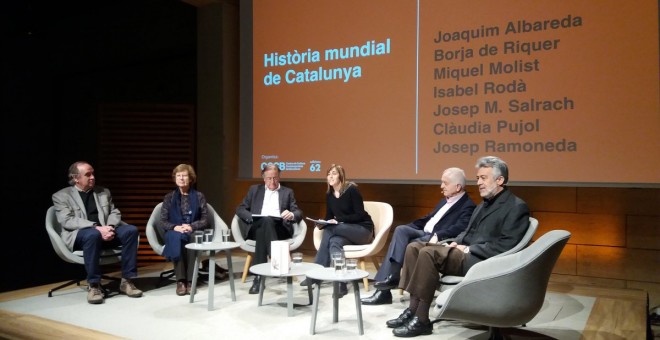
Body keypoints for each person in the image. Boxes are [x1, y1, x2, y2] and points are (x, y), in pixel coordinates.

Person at [388, 156, 530, 337]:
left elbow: (507, 244)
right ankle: (412, 310)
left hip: (483, 260)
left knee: (428, 253)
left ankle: (422, 319)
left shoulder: (516, 206)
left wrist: (469, 249)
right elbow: (467, 233)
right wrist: (456, 241)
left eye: (483, 178)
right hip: (465, 253)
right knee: (414, 247)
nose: (478, 182)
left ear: (500, 180)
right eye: (478, 178)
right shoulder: (482, 205)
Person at [361, 167, 476, 306]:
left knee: (410, 245)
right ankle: (393, 277)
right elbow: (429, 218)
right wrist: (410, 226)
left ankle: (384, 290)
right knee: (401, 230)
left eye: (445, 183)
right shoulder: (444, 201)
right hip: (423, 231)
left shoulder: (468, 206)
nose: (441, 186)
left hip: (436, 239)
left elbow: (460, 228)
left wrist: (438, 235)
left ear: (458, 187)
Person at [52, 161, 143, 304]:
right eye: (88, 174)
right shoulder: (61, 196)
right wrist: (96, 227)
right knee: (92, 234)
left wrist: (110, 227)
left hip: (105, 231)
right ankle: (94, 285)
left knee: (131, 230)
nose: (93, 177)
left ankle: (127, 281)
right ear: (76, 178)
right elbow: (67, 221)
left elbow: (114, 212)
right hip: (80, 235)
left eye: (93, 173)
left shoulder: (103, 192)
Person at [300, 164, 375, 298]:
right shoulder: (329, 195)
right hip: (344, 231)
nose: (331, 176)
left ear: (341, 176)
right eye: (329, 174)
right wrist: (322, 223)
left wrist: (338, 220)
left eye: (334, 173)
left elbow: (360, 214)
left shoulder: (351, 190)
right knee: (334, 242)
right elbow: (329, 217)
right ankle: (341, 283)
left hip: (363, 231)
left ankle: (317, 272)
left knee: (331, 229)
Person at [236, 164, 304, 294]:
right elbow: (240, 209)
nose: (272, 181)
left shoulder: (287, 192)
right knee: (264, 222)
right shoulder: (254, 190)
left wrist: (292, 214)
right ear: (263, 178)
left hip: (279, 228)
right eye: (269, 178)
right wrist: (251, 217)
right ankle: (277, 259)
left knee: (266, 225)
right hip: (257, 225)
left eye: (275, 178)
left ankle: (258, 278)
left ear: (279, 177)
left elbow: (298, 212)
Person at [154, 164, 211, 296]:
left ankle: (191, 281)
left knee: (192, 239)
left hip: (193, 229)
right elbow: (163, 221)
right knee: (176, 238)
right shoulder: (169, 197)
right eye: (178, 176)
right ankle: (180, 281)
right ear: (175, 179)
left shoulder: (199, 196)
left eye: (184, 175)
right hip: (176, 229)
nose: (181, 178)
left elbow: (205, 219)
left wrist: (191, 226)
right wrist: (175, 227)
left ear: (190, 178)